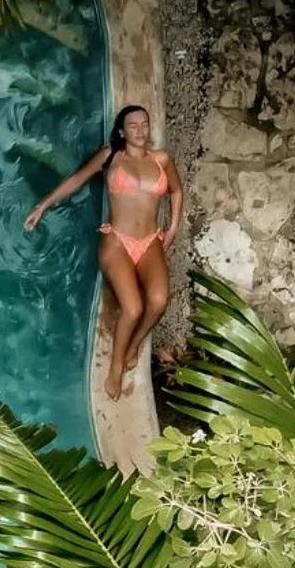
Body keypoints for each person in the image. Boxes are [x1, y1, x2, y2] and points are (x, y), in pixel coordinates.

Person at [24, 104, 183, 400]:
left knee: (159, 302)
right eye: (133, 125)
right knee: (133, 308)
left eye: (144, 124)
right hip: (118, 241)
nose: (140, 130)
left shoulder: (161, 159)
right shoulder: (111, 156)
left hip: (150, 241)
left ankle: (135, 344)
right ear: (122, 131)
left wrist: (171, 229)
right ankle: (116, 365)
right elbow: (76, 179)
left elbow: (176, 190)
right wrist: (42, 206)